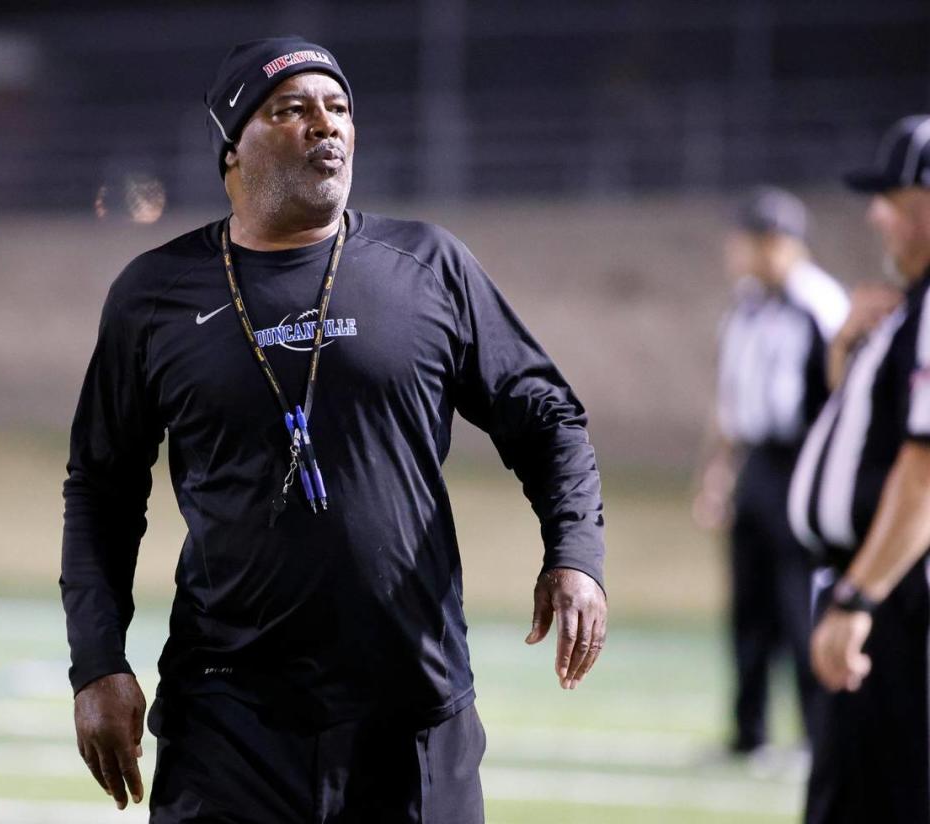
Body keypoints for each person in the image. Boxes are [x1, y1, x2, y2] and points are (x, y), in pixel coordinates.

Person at [59, 36, 607, 823]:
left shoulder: (428, 265)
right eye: (293, 109)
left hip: (415, 717)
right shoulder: (155, 295)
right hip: (230, 723)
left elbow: (548, 417)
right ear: (233, 152)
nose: (328, 124)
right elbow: (101, 493)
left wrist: (576, 555)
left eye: (340, 107)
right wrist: (97, 664)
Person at [787, 114, 930, 824]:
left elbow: (926, 471)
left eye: (896, 201)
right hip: (878, 596)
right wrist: (851, 351)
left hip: (899, 609)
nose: (877, 217)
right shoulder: (909, 310)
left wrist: (858, 599)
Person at [694, 187, 848, 758]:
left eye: (745, 243)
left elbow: (843, 397)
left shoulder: (822, 305)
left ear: (776, 244)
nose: (735, 253)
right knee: (749, 602)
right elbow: (731, 400)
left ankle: (817, 732)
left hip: (805, 462)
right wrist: (717, 473)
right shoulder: (744, 305)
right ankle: (748, 730)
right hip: (757, 463)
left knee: (799, 601)